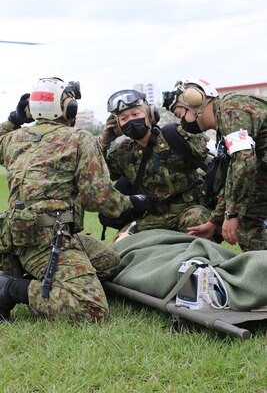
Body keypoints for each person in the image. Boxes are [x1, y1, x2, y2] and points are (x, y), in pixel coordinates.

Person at [0, 77, 154, 323]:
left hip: (21, 234)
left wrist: (14, 120)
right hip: (47, 239)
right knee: (90, 307)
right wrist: (132, 202)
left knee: (109, 264)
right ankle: (9, 288)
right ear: (67, 108)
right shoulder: (78, 138)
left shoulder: (13, 138)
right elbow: (98, 198)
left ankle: (34, 276)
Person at [162, 77, 267, 251]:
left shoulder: (230, 109)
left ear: (195, 102)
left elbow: (244, 163)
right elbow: (232, 175)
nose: (183, 122)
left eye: (181, 115)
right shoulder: (223, 127)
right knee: (248, 227)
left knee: (246, 225)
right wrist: (215, 221)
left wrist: (231, 214)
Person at [97, 88, 212, 237]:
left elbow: (216, 162)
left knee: (195, 229)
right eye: (124, 119)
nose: (131, 120)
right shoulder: (122, 153)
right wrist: (103, 142)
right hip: (154, 216)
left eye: (135, 114)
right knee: (121, 244)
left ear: (150, 115)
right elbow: (94, 175)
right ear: (118, 126)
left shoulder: (177, 136)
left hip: (190, 210)